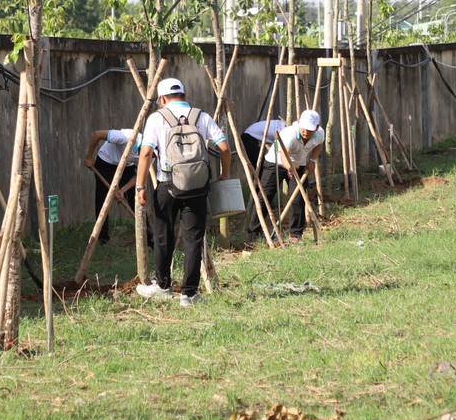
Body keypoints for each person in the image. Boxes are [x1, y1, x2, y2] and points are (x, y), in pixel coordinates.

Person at [134, 77, 232, 306]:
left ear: (162, 99)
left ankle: (163, 286)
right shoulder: (202, 116)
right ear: (185, 96)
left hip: (167, 185)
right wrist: (224, 174)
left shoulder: (156, 118)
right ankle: (188, 294)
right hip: (198, 186)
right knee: (193, 238)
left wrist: (140, 186)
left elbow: (146, 153)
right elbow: (225, 148)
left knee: (162, 236)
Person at [246, 110, 323, 246]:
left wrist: (313, 160)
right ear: (299, 123)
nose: (306, 132)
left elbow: (319, 145)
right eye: (304, 128)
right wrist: (289, 168)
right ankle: (254, 233)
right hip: (275, 162)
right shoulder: (289, 133)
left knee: (298, 198)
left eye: (310, 130)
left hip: (299, 164)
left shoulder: (319, 133)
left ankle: (295, 235)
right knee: (265, 196)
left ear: (316, 128)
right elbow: (284, 154)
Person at [84, 126, 141, 244]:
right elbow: (97, 134)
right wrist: (89, 157)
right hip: (106, 161)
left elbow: (140, 176)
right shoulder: (125, 137)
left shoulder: (150, 152)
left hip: (127, 165)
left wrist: (123, 190)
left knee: (135, 199)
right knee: (103, 200)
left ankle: (147, 234)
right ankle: (102, 238)